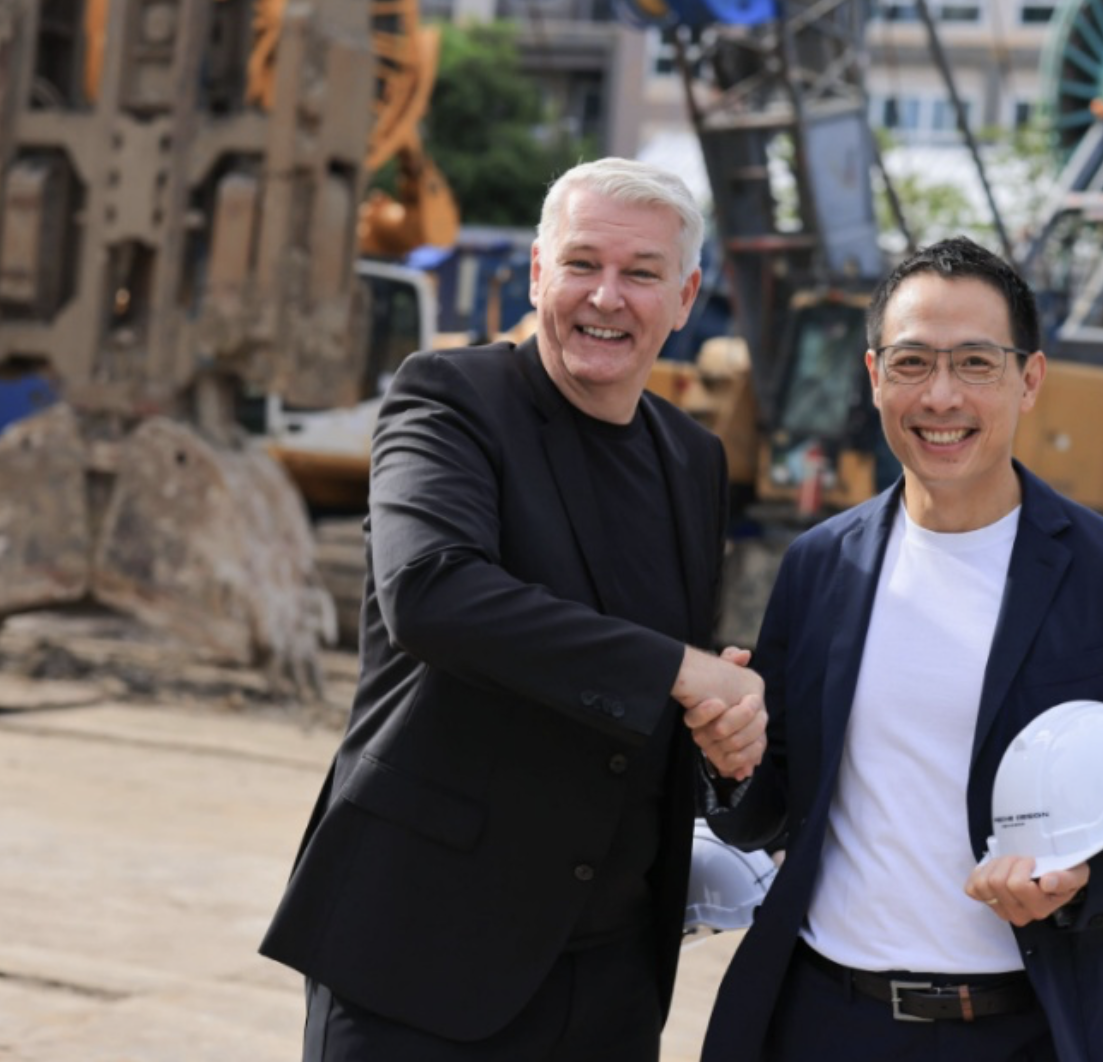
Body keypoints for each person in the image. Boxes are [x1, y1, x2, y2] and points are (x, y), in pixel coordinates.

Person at [260, 157, 768, 1061]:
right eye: (582, 264)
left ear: (685, 298)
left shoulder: (692, 458)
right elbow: (431, 592)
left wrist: (720, 733)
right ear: (538, 273)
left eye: (641, 273)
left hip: (610, 979)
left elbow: (651, 678)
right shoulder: (450, 398)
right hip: (422, 954)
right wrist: (677, 671)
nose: (606, 297)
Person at [697, 236, 1103, 1061]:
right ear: (875, 375)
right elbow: (771, 809)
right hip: (820, 1019)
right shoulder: (820, 565)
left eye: (976, 364)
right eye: (913, 363)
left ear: (1030, 379)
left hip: (1024, 1029)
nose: (941, 396)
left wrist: (1081, 883)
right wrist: (729, 760)